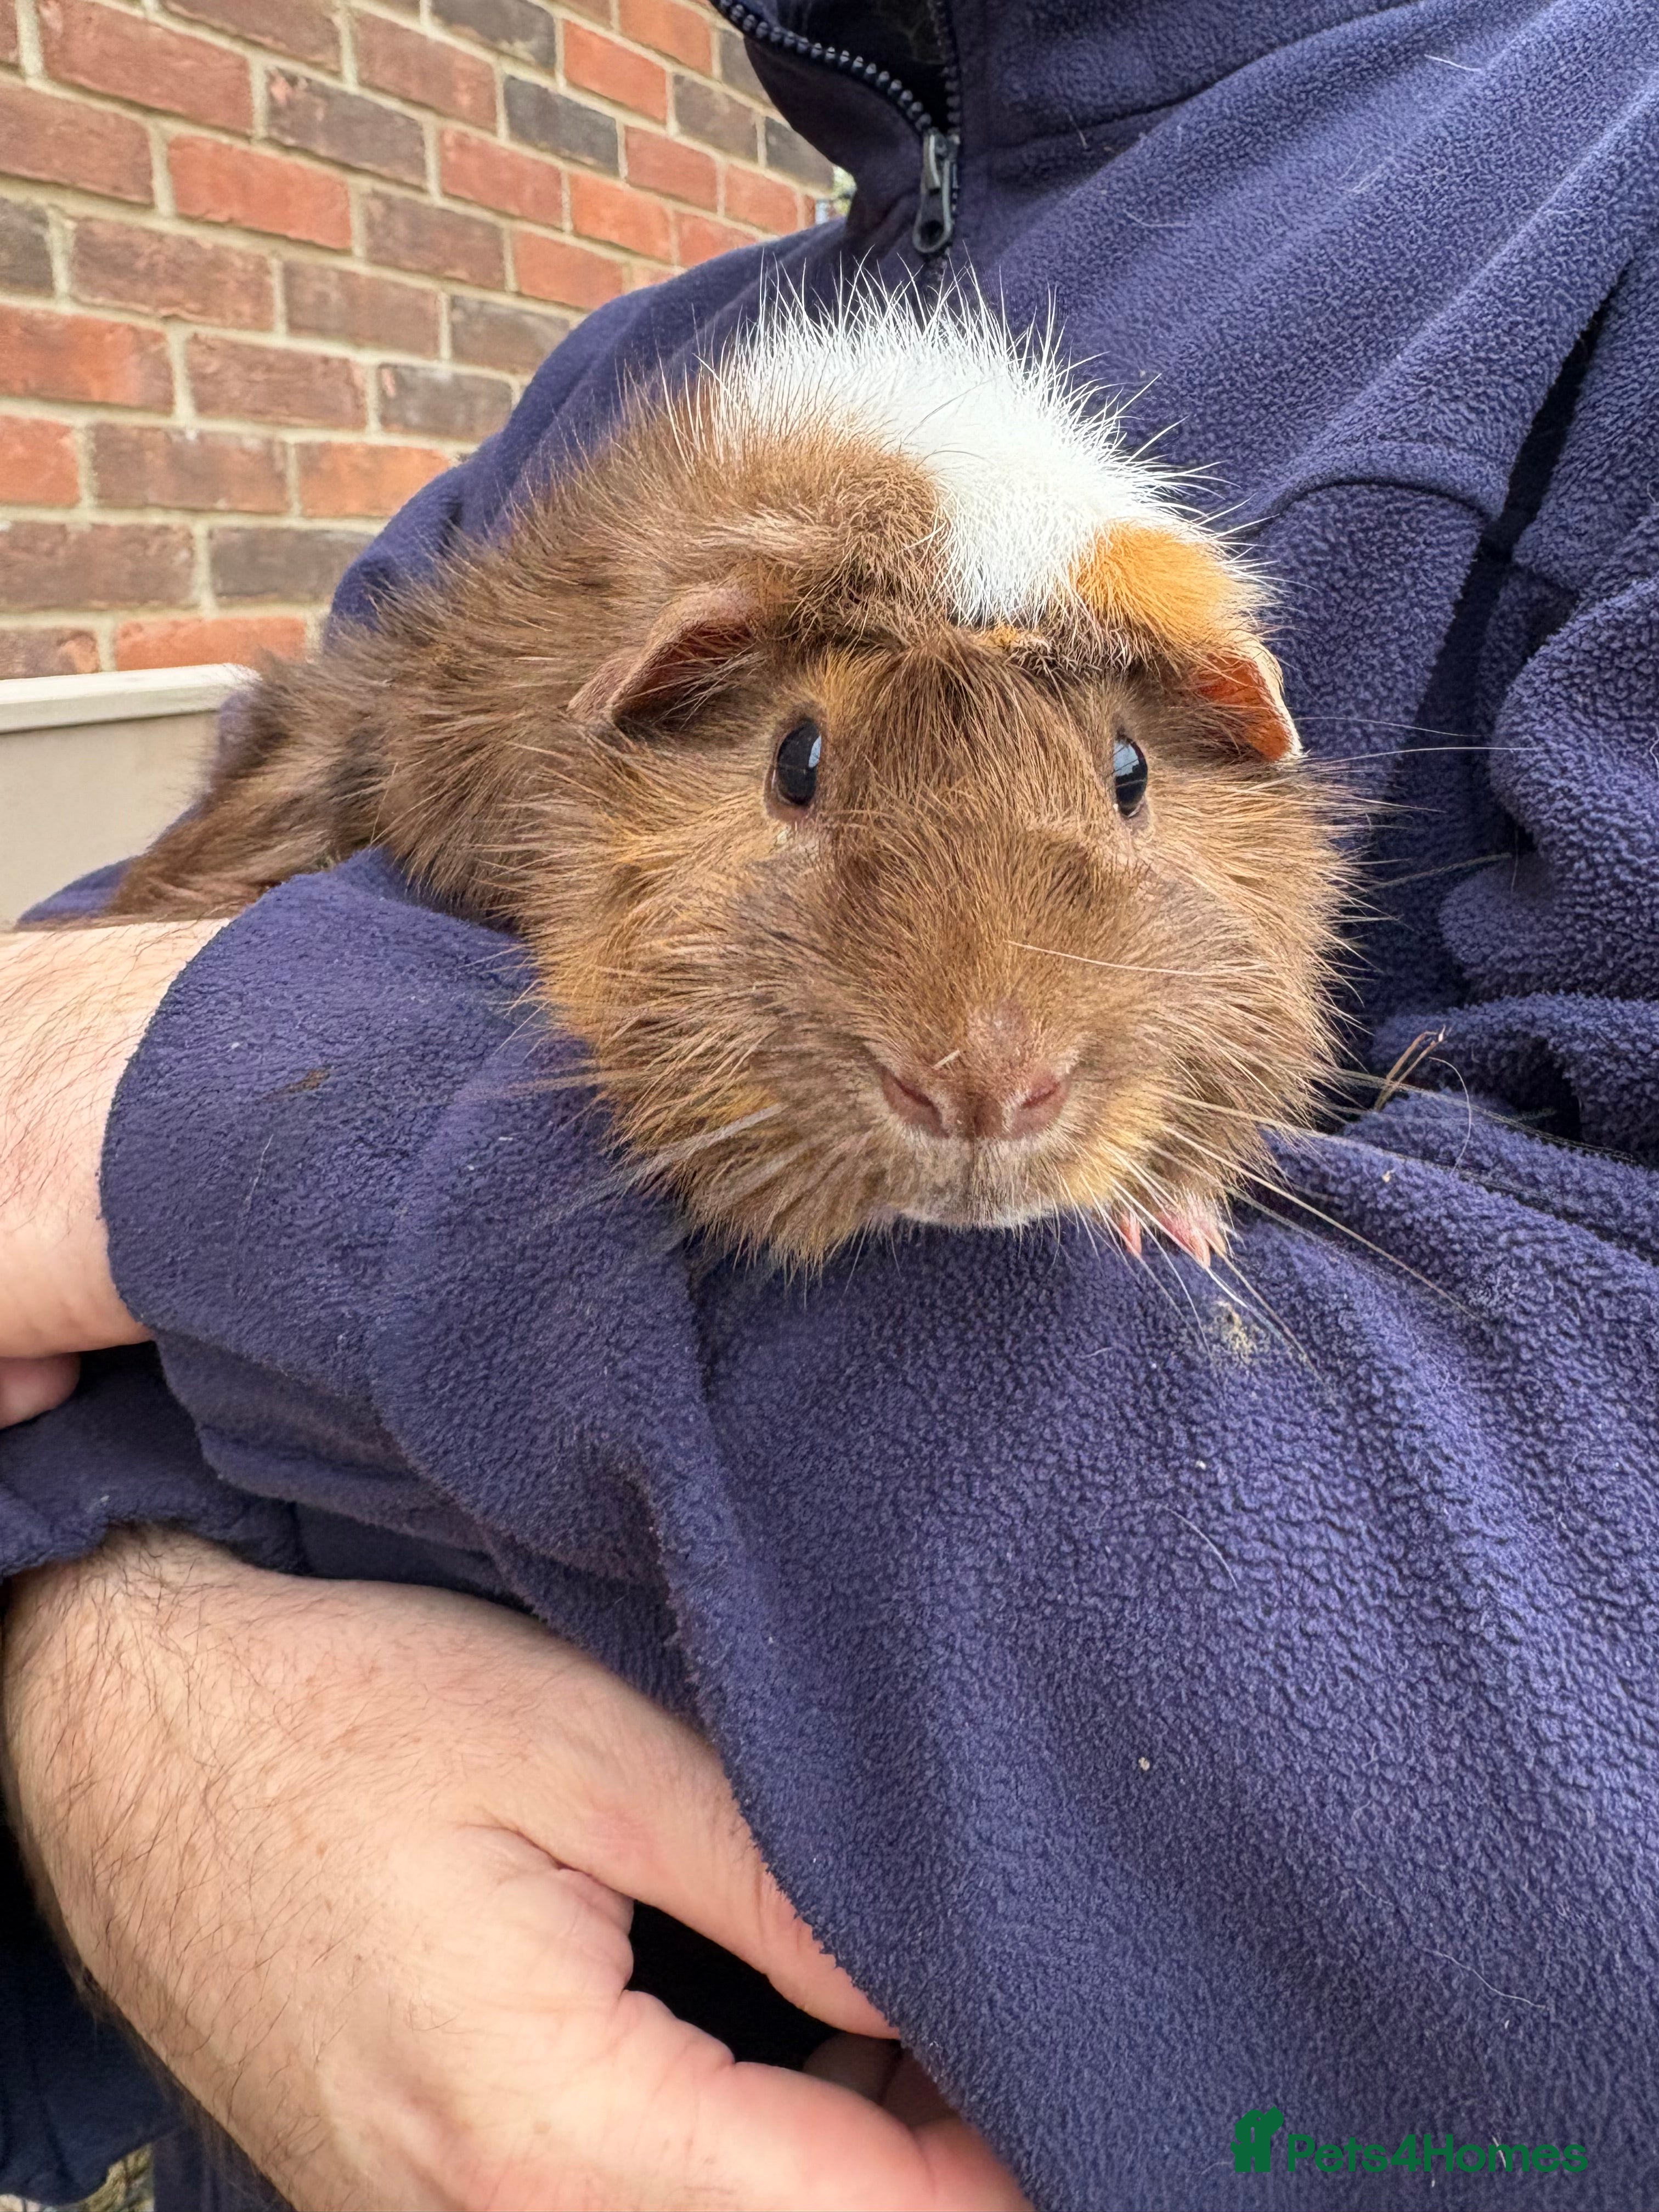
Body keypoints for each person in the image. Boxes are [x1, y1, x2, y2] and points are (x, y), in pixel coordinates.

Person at [3, 2, 1658, 2207]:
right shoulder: (605, 414)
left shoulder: (1605, 190)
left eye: (1123, 780)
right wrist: (97, 1684)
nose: (982, 1057)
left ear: (1212, 733)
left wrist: (173, 1103)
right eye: (801, 764)